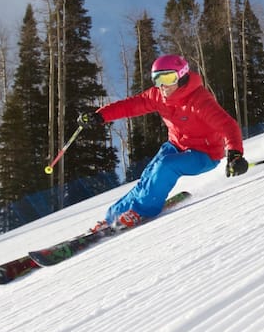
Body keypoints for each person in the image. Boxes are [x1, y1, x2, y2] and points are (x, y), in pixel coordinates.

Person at [79, 54, 248, 230]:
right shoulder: (158, 96)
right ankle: (114, 215)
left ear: (181, 76)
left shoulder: (199, 100)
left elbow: (227, 125)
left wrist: (235, 153)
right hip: (176, 145)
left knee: (165, 166)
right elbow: (131, 105)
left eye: (168, 78)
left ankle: (142, 210)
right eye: (158, 79)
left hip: (205, 154)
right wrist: (100, 115)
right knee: (149, 174)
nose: (163, 85)